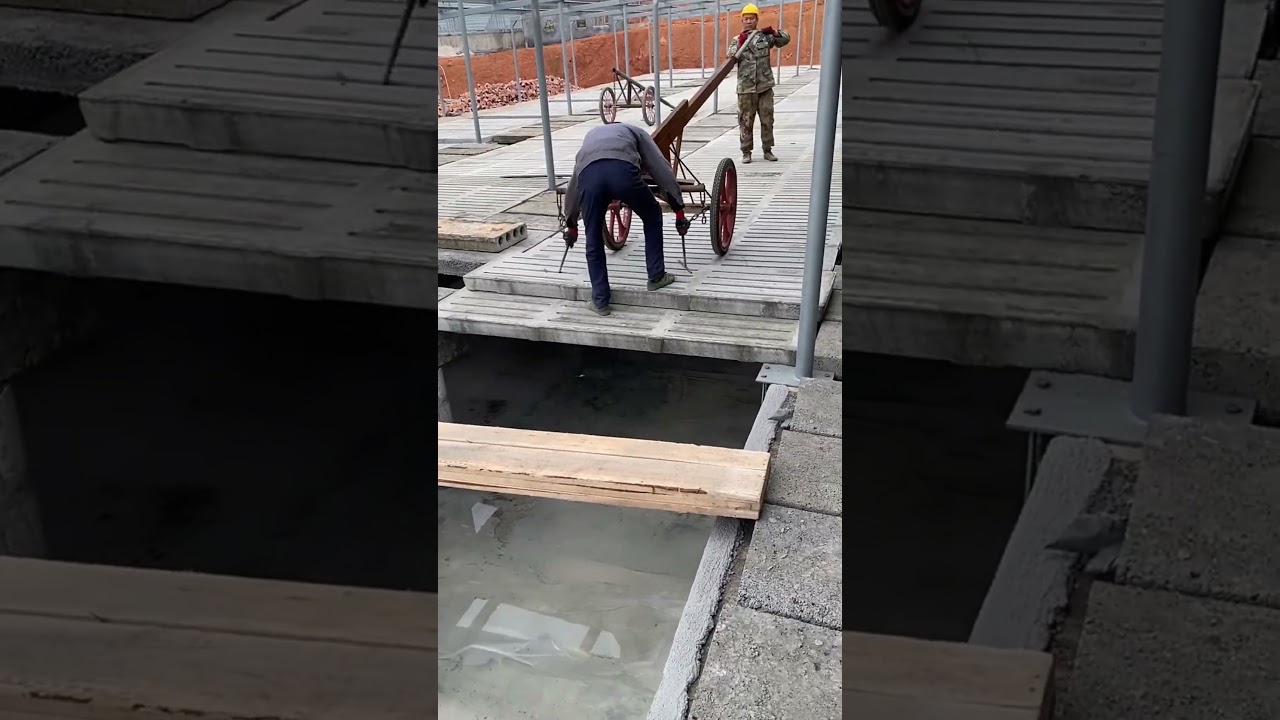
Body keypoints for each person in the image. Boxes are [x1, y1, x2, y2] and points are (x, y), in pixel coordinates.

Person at [562, 122, 691, 317]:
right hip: (622, 172)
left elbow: (575, 181)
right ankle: (656, 276)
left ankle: (600, 301)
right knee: (652, 214)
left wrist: (571, 224)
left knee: (593, 238)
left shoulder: (591, 135)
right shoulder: (637, 132)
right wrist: (678, 208)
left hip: (590, 177)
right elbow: (659, 167)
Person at [727, 4, 790, 164]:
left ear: (756, 20)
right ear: (742, 20)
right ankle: (746, 152)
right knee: (746, 121)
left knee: (767, 119)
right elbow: (730, 56)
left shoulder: (764, 37)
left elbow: (784, 39)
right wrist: (740, 43)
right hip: (745, 88)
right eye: (746, 19)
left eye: (751, 18)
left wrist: (774, 32)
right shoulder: (737, 39)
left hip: (764, 86)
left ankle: (767, 150)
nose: (748, 21)